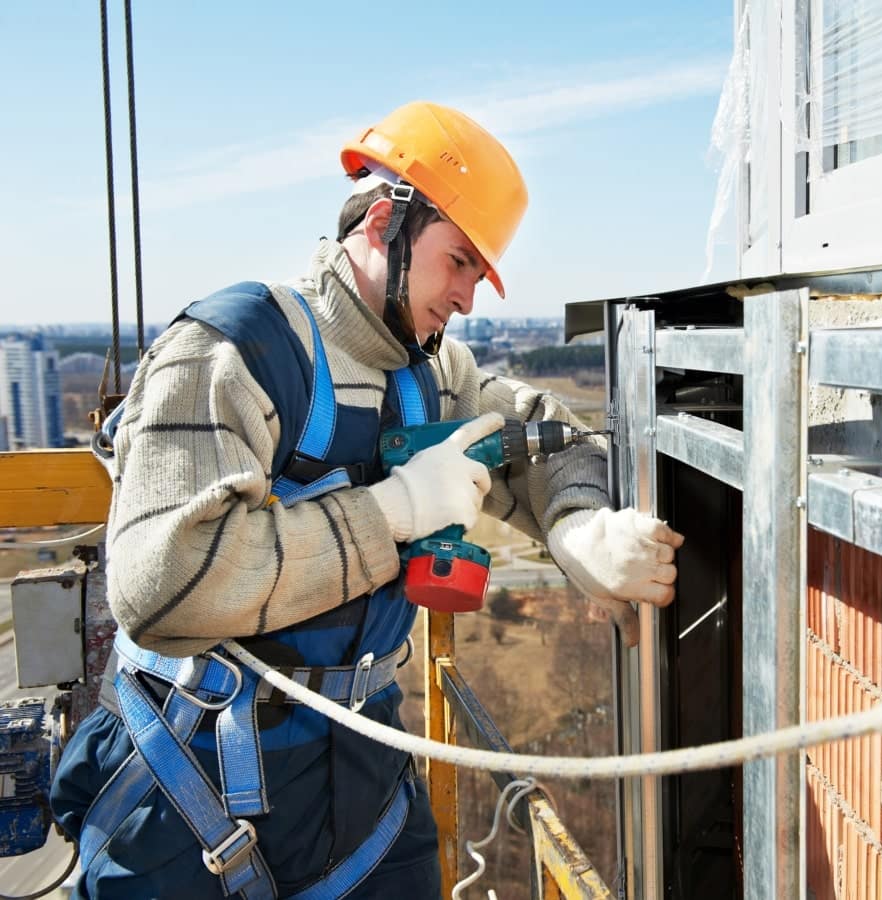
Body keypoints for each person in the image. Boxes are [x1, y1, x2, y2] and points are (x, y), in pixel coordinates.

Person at [50, 101, 684, 899]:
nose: (466, 299)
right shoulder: (230, 350)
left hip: (363, 781)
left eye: (478, 275)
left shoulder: (427, 373)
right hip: (191, 782)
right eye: (457, 262)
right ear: (386, 222)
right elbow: (160, 587)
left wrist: (578, 526)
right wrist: (392, 517)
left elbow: (539, 437)